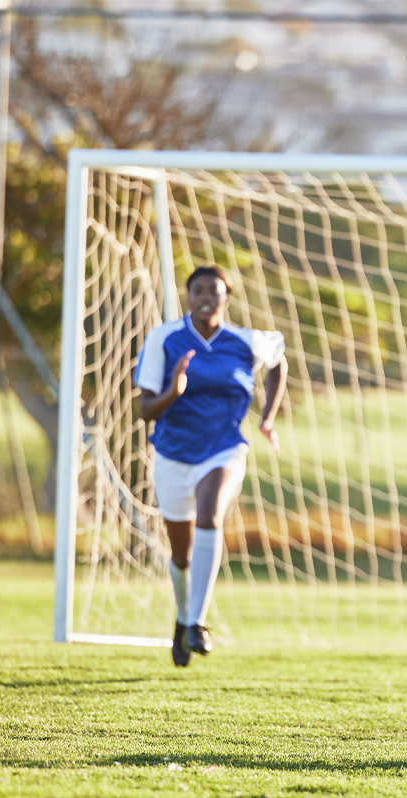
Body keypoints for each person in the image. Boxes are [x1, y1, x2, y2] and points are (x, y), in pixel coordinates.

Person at [135, 265, 287, 668]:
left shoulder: (243, 341)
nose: (206, 296)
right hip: (172, 455)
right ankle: (183, 620)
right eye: (198, 289)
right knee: (181, 555)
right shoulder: (164, 339)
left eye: (214, 291)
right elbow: (145, 408)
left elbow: (278, 361)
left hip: (224, 449)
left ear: (226, 298)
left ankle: (197, 623)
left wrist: (267, 417)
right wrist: (174, 391)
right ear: (188, 295)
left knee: (210, 514)